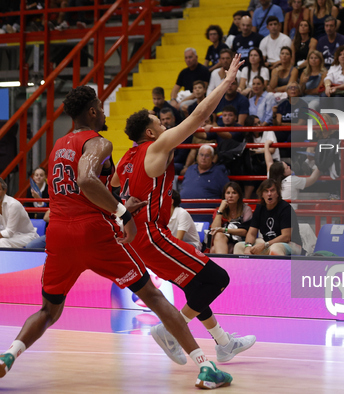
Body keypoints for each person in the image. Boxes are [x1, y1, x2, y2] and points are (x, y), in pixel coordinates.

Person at [0, 86, 233, 389]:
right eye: (101, 105)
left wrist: (117, 200)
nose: (105, 110)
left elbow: (84, 185)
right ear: (93, 111)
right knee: (153, 295)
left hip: (58, 232)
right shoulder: (99, 142)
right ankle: (205, 366)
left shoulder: (58, 145)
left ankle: (8, 356)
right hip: (94, 232)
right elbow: (86, 179)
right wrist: (122, 212)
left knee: (48, 310)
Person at [114, 55, 256, 381]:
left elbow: (117, 191)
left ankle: (224, 343)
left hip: (137, 236)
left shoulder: (128, 157)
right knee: (217, 279)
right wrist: (229, 79)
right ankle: (169, 331)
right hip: (152, 234)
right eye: (160, 121)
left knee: (196, 285)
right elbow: (200, 113)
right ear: (150, 131)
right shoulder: (157, 145)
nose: (165, 123)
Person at [234, 179, 303, 256]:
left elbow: (286, 237)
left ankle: (279, 268)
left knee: (275, 248)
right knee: (239, 246)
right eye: (266, 191)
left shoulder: (286, 208)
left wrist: (265, 245)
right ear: (262, 195)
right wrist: (248, 247)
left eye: (272, 191)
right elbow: (252, 233)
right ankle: (246, 268)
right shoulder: (260, 208)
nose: (269, 194)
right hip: (268, 243)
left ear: (277, 193)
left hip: (291, 244)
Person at [180, 145, 230, 222]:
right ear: (197, 156)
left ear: (212, 158)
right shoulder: (190, 169)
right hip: (184, 216)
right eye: (201, 155)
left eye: (207, 156)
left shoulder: (219, 172)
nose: (203, 158)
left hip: (206, 218)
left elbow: (228, 193)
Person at [265, 139, 321, 208]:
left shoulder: (271, 177)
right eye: (287, 168)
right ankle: (308, 166)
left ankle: (306, 166)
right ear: (283, 174)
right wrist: (321, 163)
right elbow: (312, 179)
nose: (289, 166)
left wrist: (266, 146)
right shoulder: (292, 180)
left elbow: (269, 163)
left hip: (277, 214)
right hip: (289, 215)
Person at [209, 182, 253, 254]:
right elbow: (214, 229)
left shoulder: (246, 209)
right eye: (228, 193)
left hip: (241, 240)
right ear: (224, 196)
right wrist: (220, 210)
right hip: (224, 240)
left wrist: (225, 230)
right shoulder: (219, 209)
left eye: (234, 193)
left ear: (239, 196)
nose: (230, 196)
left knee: (215, 250)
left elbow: (246, 232)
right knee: (215, 243)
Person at [0, 178, 39, 248]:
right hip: (12, 237)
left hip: (26, 236)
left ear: (5, 190)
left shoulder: (13, 205)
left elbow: (9, 232)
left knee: (2, 242)